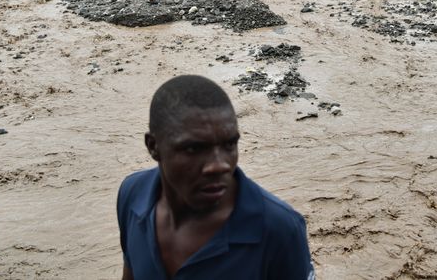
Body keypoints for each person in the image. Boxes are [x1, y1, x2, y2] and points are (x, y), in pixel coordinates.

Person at [116, 75, 314, 280]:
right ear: (153, 147)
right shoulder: (133, 195)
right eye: (194, 148)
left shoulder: (278, 229)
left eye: (229, 145)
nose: (219, 166)